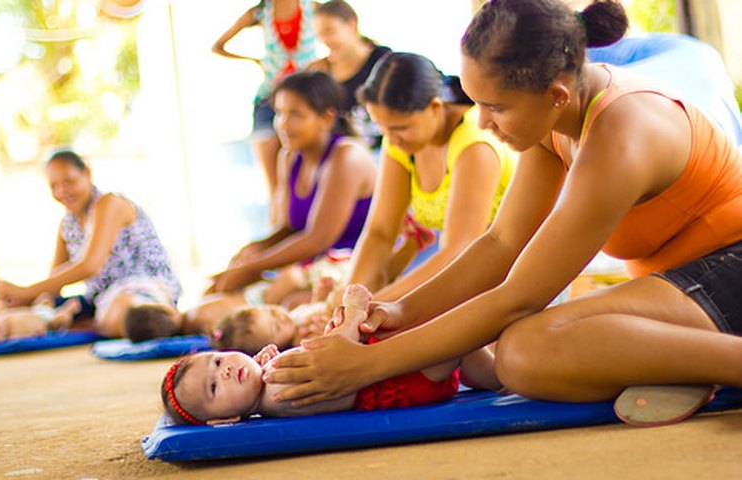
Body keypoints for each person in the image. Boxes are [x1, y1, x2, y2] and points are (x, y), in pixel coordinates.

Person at [264, 0, 742, 427]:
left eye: (494, 108)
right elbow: (501, 242)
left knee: (523, 351)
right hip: (684, 284)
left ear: (555, 93)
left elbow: (519, 297)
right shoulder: (556, 117)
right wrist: (398, 311)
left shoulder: (622, 133)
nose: (482, 124)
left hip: (729, 271)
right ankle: (684, 363)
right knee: (518, 350)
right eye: (475, 104)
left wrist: (366, 365)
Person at [161, 284, 500, 424]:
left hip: (395, 372)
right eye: (214, 388)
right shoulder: (277, 390)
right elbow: (338, 359)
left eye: (218, 361)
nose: (223, 372)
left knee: (462, 348)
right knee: (451, 329)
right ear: (224, 421)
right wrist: (351, 311)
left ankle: (497, 377)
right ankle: (502, 372)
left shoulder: (269, 389)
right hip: (405, 379)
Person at [338, 52, 515, 303]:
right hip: (459, 275)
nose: (391, 138)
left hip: (513, 275)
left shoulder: (475, 144)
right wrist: (348, 300)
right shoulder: (397, 142)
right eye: (382, 128)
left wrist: (374, 306)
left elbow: (458, 251)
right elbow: (380, 231)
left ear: (435, 107)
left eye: (401, 128)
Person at [207, 70, 376, 295]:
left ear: (326, 118)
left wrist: (252, 267)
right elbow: (290, 229)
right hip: (312, 267)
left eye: (295, 114)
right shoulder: (289, 157)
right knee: (220, 294)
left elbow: (319, 238)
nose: (283, 124)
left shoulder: (346, 156)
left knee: (277, 300)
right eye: (279, 113)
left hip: (353, 268)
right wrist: (255, 250)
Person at [0, 150, 182, 342]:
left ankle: (80, 325)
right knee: (13, 313)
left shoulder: (110, 203)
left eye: (69, 181)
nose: (61, 191)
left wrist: (25, 291)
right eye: (54, 186)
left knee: (124, 312)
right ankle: (76, 323)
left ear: (87, 174)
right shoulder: (67, 224)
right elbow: (55, 281)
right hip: (100, 300)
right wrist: (25, 300)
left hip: (143, 290)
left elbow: (91, 266)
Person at [212, 0, 318, 224]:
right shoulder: (260, 12)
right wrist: (255, 60)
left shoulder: (312, 8)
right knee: (276, 189)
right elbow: (218, 46)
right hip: (269, 101)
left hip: (307, 102)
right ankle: (278, 242)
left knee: (309, 181)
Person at [308, 0, 391, 149]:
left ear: (352, 24)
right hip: (349, 157)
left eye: (330, 31)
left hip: (387, 150)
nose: (325, 41)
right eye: (319, 36)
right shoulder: (322, 72)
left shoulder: (385, 60)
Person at [209, 276, 338, 353]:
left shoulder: (293, 316)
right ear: (274, 348)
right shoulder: (301, 342)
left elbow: (313, 308)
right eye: (276, 327)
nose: (280, 316)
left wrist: (320, 297)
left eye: (271, 311)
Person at [0, 296, 80, 348]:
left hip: (36, 310)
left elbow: (1, 307)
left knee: (45, 298)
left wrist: (2, 302)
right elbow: (27, 341)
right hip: (47, 322)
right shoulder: (12, 337)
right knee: (59, 320)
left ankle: (49, 305)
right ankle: (69, 309)